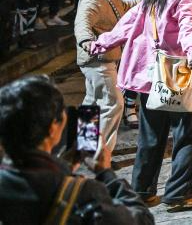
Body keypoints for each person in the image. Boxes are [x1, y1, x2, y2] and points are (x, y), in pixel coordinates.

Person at [88, 0, 192, 208]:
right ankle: (179, 193)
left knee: (151, 134)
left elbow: (125, 26)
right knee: (188, 133)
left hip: (148, 75)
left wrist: (98, 44)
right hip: (174, 74)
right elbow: (188, 30)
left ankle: (142, 190)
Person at [0, 75, 153, 224]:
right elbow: (142, 219)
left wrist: (64, 169)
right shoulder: (83, 192)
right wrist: (106, 173)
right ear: (53, 128)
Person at [75, 0, 130, 153]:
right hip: (98, 60)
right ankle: (100, 155)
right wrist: (86, 41)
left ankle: (86, 149)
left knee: (91, 102)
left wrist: (147, 0)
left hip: (100, 59)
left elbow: (122, 6)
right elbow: (82, 23)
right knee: (113, 104)